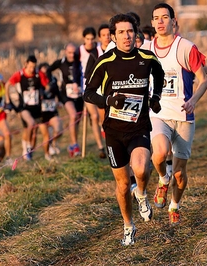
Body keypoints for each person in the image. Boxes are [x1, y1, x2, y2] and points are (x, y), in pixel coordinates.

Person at [83, 13, 164, 246]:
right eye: (121, 32)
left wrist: (155, 96)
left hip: (138, 128)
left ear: (136, 33)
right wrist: (108, 101)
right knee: (121, 185)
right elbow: (88, 93)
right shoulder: (106, 61)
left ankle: (141, 193)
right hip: (114, 132)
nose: (127, 36)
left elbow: (159, 73)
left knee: (140, 169)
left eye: (130, 31)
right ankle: (128, 225)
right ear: (113, 36)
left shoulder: (147, 57)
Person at [142, 3, 207, 225]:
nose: (160, 21)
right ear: (152, 23)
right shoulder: (147, 49)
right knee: (159, 154)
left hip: (184, 116)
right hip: (158, 113)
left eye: (164, 17)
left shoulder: (185, 47)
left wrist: (193, 100)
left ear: (173, 21)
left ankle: (175, 205)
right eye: (156, 18)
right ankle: (162, 178)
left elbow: (204, 79)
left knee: (180, 173)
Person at [5, 55, 49, 160]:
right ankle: (28, 147)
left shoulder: (39, 74)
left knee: (36, 130)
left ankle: (43, 153)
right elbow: (7, 85)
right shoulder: (19, 75)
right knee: (31, 123)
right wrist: (8, 101)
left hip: (37, 107)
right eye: (30, 67)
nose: (32, 69)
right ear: (25, 64)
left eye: (34, 67)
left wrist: (44, 93)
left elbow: (47, 85)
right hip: (24, 107)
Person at [47, 43, 83, 157]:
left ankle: (73, 145)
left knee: (77, 120)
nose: (72, 55)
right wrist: (51, 82)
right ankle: (74, 144)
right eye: (69, 52)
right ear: (65, 52)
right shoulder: (61, 62)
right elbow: (48, 70)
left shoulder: (80, 62)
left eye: (74, 52)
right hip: (65, 94)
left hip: (79, 94)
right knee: (73, 115)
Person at [75, 27, 106, 158]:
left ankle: (104, 132)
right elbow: (78, 69)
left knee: (102, 118)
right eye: (87, 39)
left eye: (92, 39)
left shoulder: (109, 49)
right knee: (94, 117)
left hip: (103, 89)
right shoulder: (91, 52)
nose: (90, 41)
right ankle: (100, 147)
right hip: (88, 87)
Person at [38, 62, 64, 161]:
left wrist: (60, 101)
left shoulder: (53, 80)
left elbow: (57, 92)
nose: (46, 70)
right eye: (44, 68)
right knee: (46, 136)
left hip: (52, 109)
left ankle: (53, 143)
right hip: (41, 112)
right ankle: (47, 154)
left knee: (59, 130)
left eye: (47, 68)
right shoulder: (37, 80)